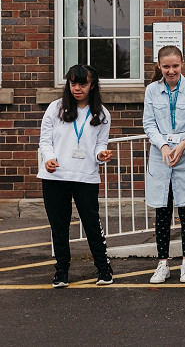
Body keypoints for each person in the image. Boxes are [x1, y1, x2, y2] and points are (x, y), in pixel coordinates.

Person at [38, 65, 114, 287]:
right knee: (59, 225)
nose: (77, 88)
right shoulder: (55, 108)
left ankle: (103, 268)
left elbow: (99, 145)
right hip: (55, 176)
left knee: (91, 223)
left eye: (83, 83)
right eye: (73, 83)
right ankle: (61, 271)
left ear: (92, 85)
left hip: (86, 176)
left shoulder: (101, 113)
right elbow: (45, 141)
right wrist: (49, 158)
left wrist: (101, 155)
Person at [143, 46, 185, 284]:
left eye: (175, 66)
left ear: (182, 64)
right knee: (162, 210)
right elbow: (149, 124)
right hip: (161, 157)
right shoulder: (152, 90)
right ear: (159, 66)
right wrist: (164, 146)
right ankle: (163, 263)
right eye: (166, 66)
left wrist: (182, 144)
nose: (171, 71)